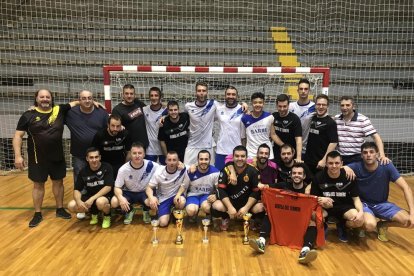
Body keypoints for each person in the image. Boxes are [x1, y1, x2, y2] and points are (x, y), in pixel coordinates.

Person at [13, 89, 74, 227]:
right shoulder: (28, 115)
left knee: (58, 182)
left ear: (51, 98)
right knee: (38, 185)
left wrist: (94, 102)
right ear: (36, 99)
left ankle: (60, 209)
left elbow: (77, 102)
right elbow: (18, 136)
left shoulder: (59, 110)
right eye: (42, 97)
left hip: (57, 156)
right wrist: (18, 156)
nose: (45, 99)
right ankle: (38, 213)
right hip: (37, 158)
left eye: (48, 97)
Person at [250, 164, 323, 265]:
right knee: (270, 212)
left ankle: (305, 251)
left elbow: (319, 200)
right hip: (284, 219)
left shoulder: (309, 190)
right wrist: (261, 185)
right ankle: (261, 241)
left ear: (304, 176)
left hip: (299, 222)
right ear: (291, 175)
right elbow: (266, 187)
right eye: (294, 173)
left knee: (313, 221)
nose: (296, 175)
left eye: (299, 173)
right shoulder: (283, 185)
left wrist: (323, 199)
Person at [346, 142, 414, 241]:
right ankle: (359, 227)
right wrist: (346, 168)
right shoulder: (356, 166)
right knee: (370, 225)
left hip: (382, 204)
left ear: (377, 154)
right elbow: (336, 168)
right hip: (363, 204)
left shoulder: (386, 166)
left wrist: (412, 213)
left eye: (371, 152)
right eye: (365, 152)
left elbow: (406, 188)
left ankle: (383, 225)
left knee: (409, 221)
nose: (368, 155)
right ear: (361, 155)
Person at [65, 90, 108, 219]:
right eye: (84, 98)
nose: (87, 100)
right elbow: (56, 110)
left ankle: (99, 206)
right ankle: (83, 207)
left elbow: (110, 127)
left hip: (98, 153)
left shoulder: (101, 112)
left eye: (90, 98)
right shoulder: (71, 113)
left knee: (100, 180)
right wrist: (34, 108)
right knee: (80, 179)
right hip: (79, 154)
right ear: (79, 100)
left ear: (93, 98)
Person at [311, 151, 364, 242]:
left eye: (337, 163)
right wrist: (321, 199)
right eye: (330, 163)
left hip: (344, 207)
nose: (334, 166)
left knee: (359, 221)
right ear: (326, 164)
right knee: (313, 215)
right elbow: (312, 198)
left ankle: (342, 225)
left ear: (341, 164)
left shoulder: (349, 176)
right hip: (325, 207)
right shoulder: (318, 177)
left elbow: (356, 198)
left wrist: (361, 212)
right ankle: (323, 225)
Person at [211, 145, 264, 231]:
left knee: (261, 207)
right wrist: (230, 207)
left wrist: (246, 208)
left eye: (242, 156)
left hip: (247, 203)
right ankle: (225, 218)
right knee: (217, 205)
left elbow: (256, 192)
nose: (240, 158)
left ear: (247, 157)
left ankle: (251, 220)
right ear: (233, 157)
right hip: (230, 202)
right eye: (237, 156)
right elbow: (221, 190)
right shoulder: (226, 170)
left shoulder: (253, 171)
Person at [111, 142, 159, 225]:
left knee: (153, 201)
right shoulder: (123, 169)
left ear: (144, 154)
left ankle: (146, 210)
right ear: (130, 154)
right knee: (114, 202)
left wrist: (180, 165)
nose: (137, 156)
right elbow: (117, 187)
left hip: (144, 192)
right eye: (134, 153)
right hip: (129, 192)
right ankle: (129, 211)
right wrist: (120, 197)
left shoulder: (151, 165)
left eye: (140, 153)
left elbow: (166, 169)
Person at [334, 96, 390, 165]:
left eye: (348, 105)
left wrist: (382, 155)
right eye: (342, 105)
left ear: (353, 106)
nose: (345, 108)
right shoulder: (336, 119)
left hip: (357, 157)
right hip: (340, 157)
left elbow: (376, 137)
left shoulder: (363, 119)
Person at [67, 148, 113, 228]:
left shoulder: (107, 167)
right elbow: (77, 189)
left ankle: (107, 216)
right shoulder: (83, 171)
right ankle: (93, 214)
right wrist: (78, 201)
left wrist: (92, 199)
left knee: (100, 202)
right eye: (91, 157)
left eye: (96, 157)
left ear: (100, 157)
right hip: (89, 197)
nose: (94, 160)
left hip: (104, 197)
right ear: (87, 159)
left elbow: (108, 187)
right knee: (71, 205)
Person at [175, 150, 220, 222]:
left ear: (210, 160)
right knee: (191, 210)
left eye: (206, 159)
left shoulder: (215, 172)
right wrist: (178, 195)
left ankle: (208, 214)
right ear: (197, 160)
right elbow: (184, 186)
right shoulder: (191, 171)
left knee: (207, 207)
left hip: (206, 195)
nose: (203, 161)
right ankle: (193, 214)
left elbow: (219, 188)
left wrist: (215, 195)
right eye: (201, 159)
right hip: (193, 195)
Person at [146, 151, 187, 227]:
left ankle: (175, 213)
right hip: (164, 198)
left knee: (181, 201)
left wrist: (184, 165)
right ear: (165, 161)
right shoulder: (159, 172)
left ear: (178, 161)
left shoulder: (183, 169)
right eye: (169, 160)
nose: (172, 162)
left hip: (177, 195)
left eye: (174, 160)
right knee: (163, 223)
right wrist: (151, 197)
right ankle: (166, 213)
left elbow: (196, 165)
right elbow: (149, 187)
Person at [183, 81, 219, 165]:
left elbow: (228, 108)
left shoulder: (213, 104)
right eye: (199, 91)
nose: (201, 93)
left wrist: (244, 105)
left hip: (207, 146)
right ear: (196, 92)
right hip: (192, 145)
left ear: (207, 92)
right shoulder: (188, 106)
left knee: (209, 173)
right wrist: (164, 116)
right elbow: (177, 115)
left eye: (203, 90)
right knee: (187, 171)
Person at [304, 94, 338, 175]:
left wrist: (324, 160)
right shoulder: (312, 118)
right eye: (318, 104)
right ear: (315, 105)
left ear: (327, 106)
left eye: (324, 105)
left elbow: (333, 142)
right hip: (308, 160)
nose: (321, 107)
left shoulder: (331, 122)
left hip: (320, 162)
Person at [91, 114, 132, 179]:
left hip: (120, 165)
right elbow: (93, 152)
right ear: (108, 125)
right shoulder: (100, 135)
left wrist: (125, 167)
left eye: (118, 126)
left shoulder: (125, 134)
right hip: (104, 166)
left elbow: (129, 152)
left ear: (121, 125)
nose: (115, 129)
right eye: (113, 126)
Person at [214, 86, 244, 170]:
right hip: (221, 150)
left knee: (236, 180)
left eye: (233, 94)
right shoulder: (219, 109)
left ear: (237, 96)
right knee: (219, 179)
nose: (231, 96)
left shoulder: (242, 109)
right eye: (228, 94)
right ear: (225, 96)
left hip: (237, 152)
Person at [111, 84, 149, 148]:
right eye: (126, 93)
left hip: (143, 144)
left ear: (135, 95)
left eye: (131, 94)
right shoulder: (117, 109)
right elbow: (115, 127)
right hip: (129, 147)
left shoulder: (139, 104)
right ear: (123, 94)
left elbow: (151, 111)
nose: (129, 96)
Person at [270, 93, 303, 163]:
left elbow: (298, 139)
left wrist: (299, 157)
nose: (282, 109)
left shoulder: (295, 119)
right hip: (277, 153)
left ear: (288, 105)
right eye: (280, 106)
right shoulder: (273, 116)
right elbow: (273, 134)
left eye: (284, 106)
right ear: (276, 106)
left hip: (291, 154)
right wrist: (284, 146)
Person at [241, 92, 274, 160]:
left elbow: (272, 135)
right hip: (251, 154)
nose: (257, 104)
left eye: (260, 102)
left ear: (263, 103)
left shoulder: (269, 116)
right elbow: (243, 138)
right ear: (251, 103)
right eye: (255, 102)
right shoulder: (244, 118)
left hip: (267, 154)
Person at [289, 78, 315, 154]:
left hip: (308, 147)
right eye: (301, 89)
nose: (303, 91)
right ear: (297, 91)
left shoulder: (315, 107)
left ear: (309, 91)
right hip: (292, 146)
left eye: (306, 89)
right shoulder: (290, 106)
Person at [143, 87, 167, 164]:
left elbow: (177, 112)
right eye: (151, 95)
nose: (154, 98)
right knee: (149, 174)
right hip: (150, 150)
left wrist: (167, 104)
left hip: (164, 149)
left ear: (160, 97)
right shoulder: (144, 109)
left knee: (164, 173)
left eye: (156, 95)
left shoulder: (166, 110)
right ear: (149, 97)